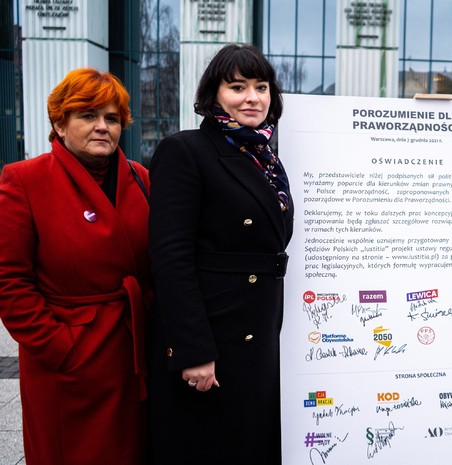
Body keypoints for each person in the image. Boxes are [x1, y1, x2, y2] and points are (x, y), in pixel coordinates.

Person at [147, 44, 293, 463]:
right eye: (237, 87)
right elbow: (171, 257)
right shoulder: (185, 150)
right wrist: (193, 349)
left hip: (258, 329)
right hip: (212, 334)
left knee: (250, 441)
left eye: (261, 87)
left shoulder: (265, 157)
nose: (252, 98)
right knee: (209, 446)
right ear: (214, 94)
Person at [0, 68, 151, 464]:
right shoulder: (25, 180)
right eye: (88, 115)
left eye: (112, 118)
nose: (103, 126)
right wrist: (62, 349)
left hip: (131, 354)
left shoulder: (140, 178)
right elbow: (9, 282)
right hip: (66, 364)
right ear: (59, 123)